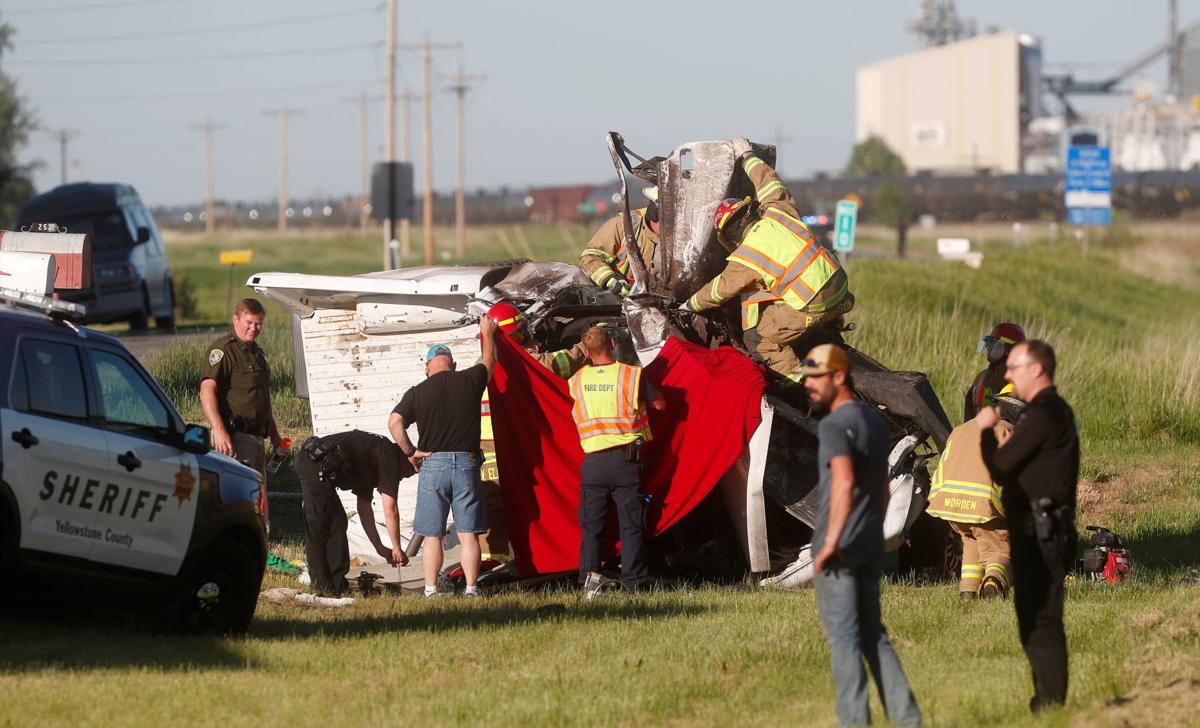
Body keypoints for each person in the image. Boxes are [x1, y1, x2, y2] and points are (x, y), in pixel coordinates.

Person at [804, 343, 922, 728]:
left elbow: (843, 482)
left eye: (815, 377)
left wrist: (832, 542)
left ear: (838, 377)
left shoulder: (835, 425)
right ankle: (907, 718)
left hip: (841, 548)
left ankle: (854, 722)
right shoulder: (871, 420)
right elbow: (883, 487)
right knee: (874, 636)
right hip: (870, 543)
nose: (808, 385)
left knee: (844, 641)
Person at [682, 137, 854, 384]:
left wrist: (689, 305)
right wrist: (747, 155)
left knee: (759, 337)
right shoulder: (779, 213)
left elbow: (718, 291)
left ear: (726, 235)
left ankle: (797, 386)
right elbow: (769, 182)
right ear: (749, 212)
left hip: (814, 301)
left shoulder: (746, 256)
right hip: (840, 286)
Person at [977, 340, 1079, 712]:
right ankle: (1046, 700)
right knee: (1035, 620)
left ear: (1036, 369)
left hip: (1042, 533)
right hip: (1040, 529)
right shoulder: (1051, 412)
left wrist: (987, 430)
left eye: (1015, 367)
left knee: (1041, 621)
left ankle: (1050, 704)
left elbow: (1001, 468)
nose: (1007, 374)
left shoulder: (1043, 414)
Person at [389, 317, 498, 597]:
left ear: (427, 368)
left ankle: (430, 589)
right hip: (466, 463)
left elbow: (394, 423)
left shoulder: (417, 392)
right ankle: (472, 589)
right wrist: (488, 332)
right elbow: (489, 360)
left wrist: (411, 452)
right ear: (454, 365)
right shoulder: (470, 380)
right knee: (468, 534)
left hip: (433, 465)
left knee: (432, 534)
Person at [477, 301, 591, 562]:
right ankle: (537, 558)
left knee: (492, 511)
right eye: (520, 331)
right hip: (516, 448)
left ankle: (492, 564)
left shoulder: (481, 367)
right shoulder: (524, 362)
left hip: (486, 452)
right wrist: (585, 347)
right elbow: (557, 364)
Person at [568, 325, 666, 588]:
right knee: (631, 525)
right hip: (625, 461)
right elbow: (661, 404)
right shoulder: (631, 376)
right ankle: (633, 582)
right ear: (612, 343)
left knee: (591, 528)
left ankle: (588, 579)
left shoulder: (576, 381)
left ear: (586, 352)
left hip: (593, 464)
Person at [928, 385, 1024, 599]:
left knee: (971, 540)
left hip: (949, 505)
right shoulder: (1009, 433)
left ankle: (969, 590)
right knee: (1001, 550)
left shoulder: (962, 429)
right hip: (983, 506)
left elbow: (942, 467)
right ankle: (994, 584)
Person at [293, 430, 411, 596]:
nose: (404, 477)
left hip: (314, 465)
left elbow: (364, 508)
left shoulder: (372, 458)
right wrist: (397, 548)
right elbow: (390, 509)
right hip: (313, 464)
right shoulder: (389, 456)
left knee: (338, 521)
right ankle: (325, 586)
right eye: (410, 472)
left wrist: (379, 547)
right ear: (407, 458)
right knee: (323, 524)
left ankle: (333, 585)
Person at [200, 298, 282, 506]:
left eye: (258, 324)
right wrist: (218, 429)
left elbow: (261, 399)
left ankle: (259, 536)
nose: (253, 328)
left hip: (257, 438)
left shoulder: (257, 354)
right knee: (237, 496)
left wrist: (274, 435)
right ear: (235, 320)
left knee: (258, 497)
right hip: (235, 437)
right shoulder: (223, 351)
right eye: (248, 322)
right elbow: (206, 390)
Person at [579, 186, 663, 297]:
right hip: (618, 300)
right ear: (654, 213)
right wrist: (610, 280)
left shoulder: (685, 238)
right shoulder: (624, 225)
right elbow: (590, 258)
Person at [965, 323, 1026, 420]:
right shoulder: (981, 380)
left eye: (994, 343)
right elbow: (967, 420)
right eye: (989, 343)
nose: (988, 348)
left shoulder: (1021, 388)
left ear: (1009, 350)